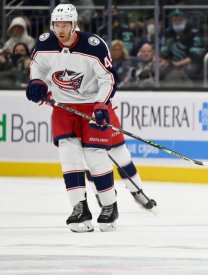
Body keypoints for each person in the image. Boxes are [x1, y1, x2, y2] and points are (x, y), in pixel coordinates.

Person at [26, 4, 118, 233]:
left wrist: (101, 103)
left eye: (65, 24)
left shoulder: (93, 45)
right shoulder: (45, 43)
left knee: (95, 155)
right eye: (57, 24)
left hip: (91, 104)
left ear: (74, 24)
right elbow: (38, 69)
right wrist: (37, 84)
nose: (61, 28)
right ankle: (79, 207)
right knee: (68, 154)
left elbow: (108, 79)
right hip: (63, 106)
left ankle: (109, 206)